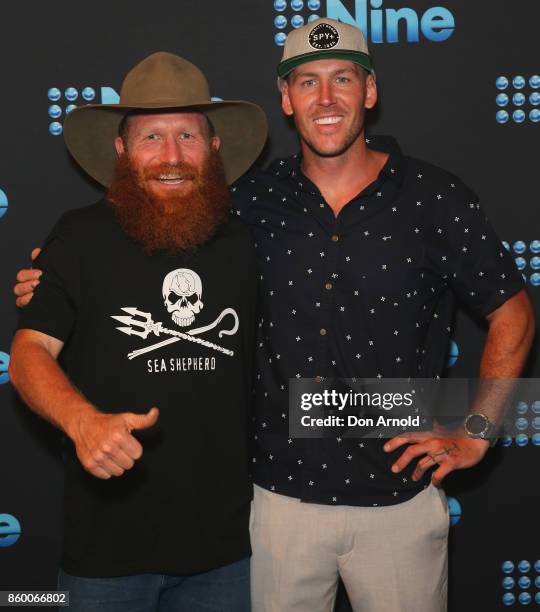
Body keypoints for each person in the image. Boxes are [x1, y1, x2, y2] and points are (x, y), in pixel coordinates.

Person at [15, 18, 535, 612]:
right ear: (286, 100)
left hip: (399, 499)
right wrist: (50, 274)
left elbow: (513, 313)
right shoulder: (251, 204)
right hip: (276, 506)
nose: (327, 98)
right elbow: (139, 235)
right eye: (307, 82)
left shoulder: (433, 196)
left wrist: (475, 430)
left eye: (343, 78)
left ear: (370, 91)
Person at [9, 51, 267, 612]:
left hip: (228, 553)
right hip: (106, 555)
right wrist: (82, 422)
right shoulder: (77, 238)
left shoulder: (248, 245)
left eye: (187, 136)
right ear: (122, 149)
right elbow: (29, 352)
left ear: (215, 146)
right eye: (151, 138)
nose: (171, 157)